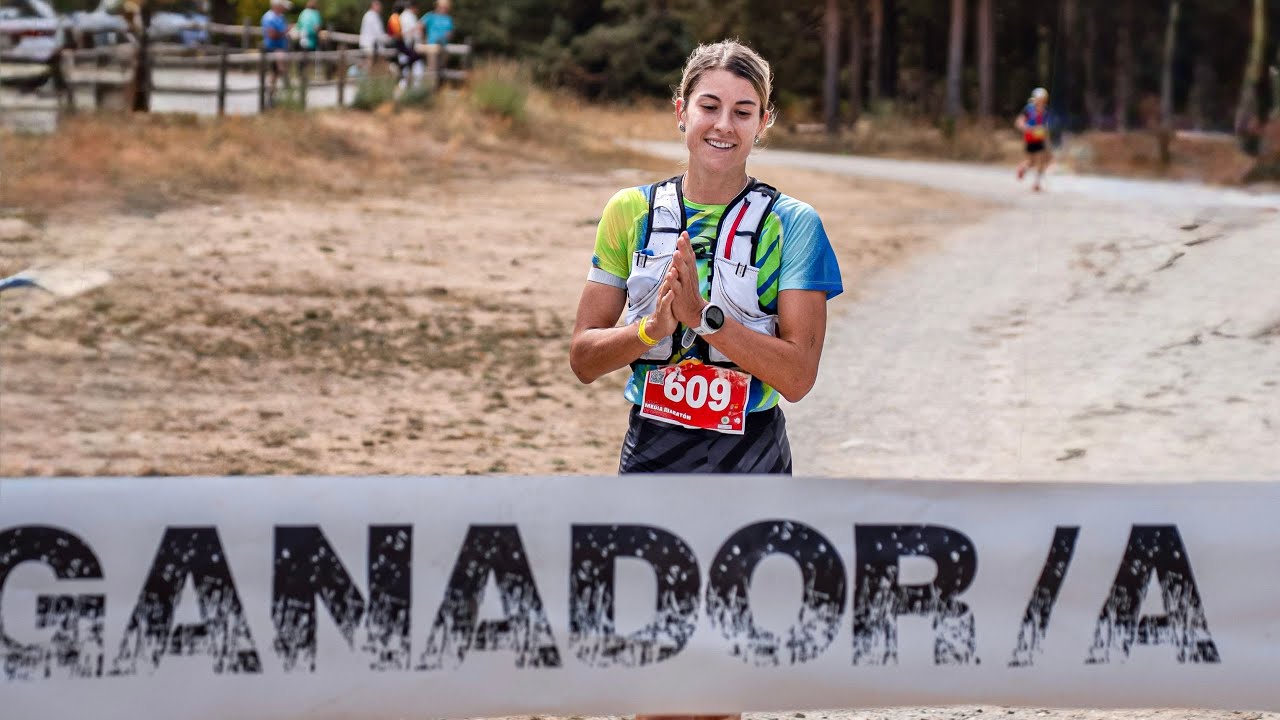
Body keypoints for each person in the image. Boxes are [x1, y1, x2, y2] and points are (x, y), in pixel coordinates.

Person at [570, 39, 843, 481]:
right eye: (709, 107)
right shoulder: (629, 211)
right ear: (682, 112)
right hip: (651, 447)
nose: (723, 126)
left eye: (742, 112)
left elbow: (797, 379)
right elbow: (583, 359)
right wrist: (649, 330)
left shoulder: (793, 224)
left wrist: (703, 318)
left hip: (753, 452)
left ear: (763, 123)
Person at [1015, 87, 1051, 192]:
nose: (1041, 101)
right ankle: (1024, 169)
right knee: (1032, 161)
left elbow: (1047, 126)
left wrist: (1045, 133)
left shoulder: (1045, 111)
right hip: (1030, 137)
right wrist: (1028, 128)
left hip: (1039, 138)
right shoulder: (1029, 109)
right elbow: (1019, 122)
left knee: (1040, 160)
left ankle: (1036, 183)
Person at [260, 0, 292, 102]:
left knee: (276, 74)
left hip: (280, 48)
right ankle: (272, 96)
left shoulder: (280, 17)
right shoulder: (269, 17)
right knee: (275, 73)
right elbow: (272, 35)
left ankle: (273, 96)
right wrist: (285, 31)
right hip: (272, 48)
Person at [358, 0, 387, 73]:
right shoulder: (372, 16)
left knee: (369, 64)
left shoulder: (369, 15)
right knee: (370, 65)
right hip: (370, 45)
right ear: (374, 6)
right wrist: (387, 39)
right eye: (379, 6)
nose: (380, 8)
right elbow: (378, 33)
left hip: (368, 44)